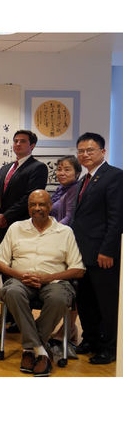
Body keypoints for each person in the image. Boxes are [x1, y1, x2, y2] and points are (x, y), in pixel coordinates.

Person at [0, 189, 85, 376]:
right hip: (21, 280)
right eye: (33, 205)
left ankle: (29, 349)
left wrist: (48, 278)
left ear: (50, 206)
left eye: (42, 204)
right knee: (12, 292)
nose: (37, 208)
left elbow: (78, 269)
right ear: (28, 209)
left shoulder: (65, 232)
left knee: (60, 298)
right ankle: (41, 351)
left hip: (54, 281)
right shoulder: (15, 228)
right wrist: (18, 275)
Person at [70, 132, 123, 364]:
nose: (85, 154)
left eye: (90, 150)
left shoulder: (114, 176)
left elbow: (116, 217)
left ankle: (109, 347)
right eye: (81, 150)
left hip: (102, 254)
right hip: (83, 253)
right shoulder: (85, 179)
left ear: (103, 152)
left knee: (106, 303)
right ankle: (90, 339)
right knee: (86, 301)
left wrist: (108, 250)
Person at [0, 129, 48, 247]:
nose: (18, 144)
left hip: (23, 223)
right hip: (1, 225)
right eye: (15, 141)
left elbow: (30, 197)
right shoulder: (5, 169)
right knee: (0, 259)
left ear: (32, 146)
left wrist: (6, 216)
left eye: (22, 141)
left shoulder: (38, 167)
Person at [50, 155, 81, 225]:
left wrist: (53, 231)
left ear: (77, 174)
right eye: (59, 169)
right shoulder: (61, 187)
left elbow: (69, 218)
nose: (61, 173)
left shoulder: (75, 189)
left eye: (67, 170)